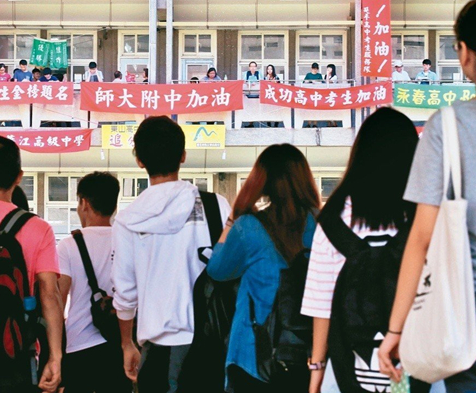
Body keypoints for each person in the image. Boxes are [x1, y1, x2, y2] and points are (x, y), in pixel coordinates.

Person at [379, 0, 476, 392]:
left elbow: (421, 238)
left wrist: (396, 329)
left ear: (464, 53)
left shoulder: (447, 128)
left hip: (468, 311)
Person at [302, 108, 420, 393]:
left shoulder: (333, 218)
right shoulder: (424, 216)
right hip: (420, 362)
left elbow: (322, 304)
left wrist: (317, 369)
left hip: (347, 369)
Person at [112, 116, 231, 390]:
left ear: (139, 161)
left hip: (157, 353)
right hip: (213, 346)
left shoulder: (128, 220)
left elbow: (125, 294)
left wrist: (127, 343)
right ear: (183, 156)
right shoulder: (216, 206)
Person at [207, 144, 320, 392]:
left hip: (253, 354)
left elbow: (217, 269)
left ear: (262, 183)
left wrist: (233, 220)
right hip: (311, 351)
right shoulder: (323, 223)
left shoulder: (248, 227)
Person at [0, 136, 62, 392]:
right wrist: (55, 355)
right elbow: (50, 294)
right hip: (17, 353)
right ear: (19, 177)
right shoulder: (39, 228)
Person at [58, 172, 132, 393]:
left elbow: (58, 300)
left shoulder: (68, 245)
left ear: (84, 203)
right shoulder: (128, 241)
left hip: (79, 344)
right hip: (120, 343)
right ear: (114, 205)